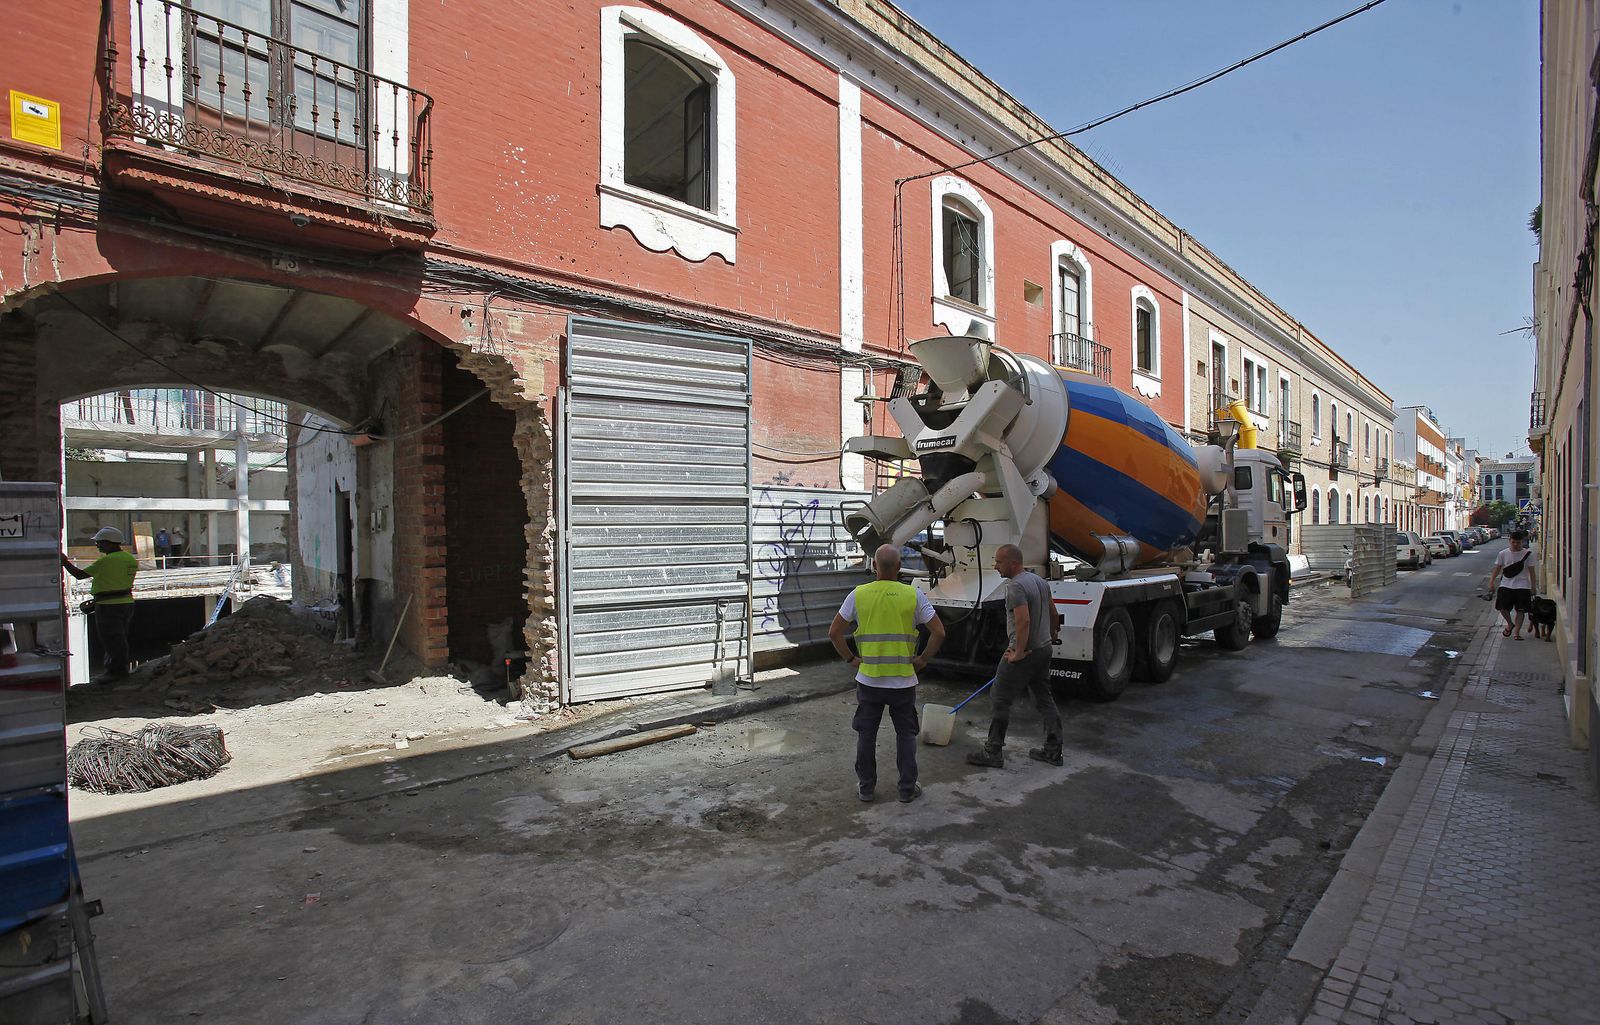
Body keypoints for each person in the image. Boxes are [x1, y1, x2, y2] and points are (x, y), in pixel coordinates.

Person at [828, 544, 945, 804]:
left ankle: (867, 788)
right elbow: (939, 632)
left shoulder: (858, 595)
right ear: (900, 567)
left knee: (866, 734)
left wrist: (851, 658)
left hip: (869, 680)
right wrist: (923, 659)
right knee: (905, 734)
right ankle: (906, 789)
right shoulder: (913, 595)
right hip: (903, 681)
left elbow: (834, 632)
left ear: (874, 566)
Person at [967, 543, 1064, 768]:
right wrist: (1051, 632)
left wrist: (1018, 652)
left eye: (999, 561)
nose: (996, 565)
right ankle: (1053, 750)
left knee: (1000, 698)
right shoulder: (1039, 581)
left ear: (1013, 562)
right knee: (1044, 699)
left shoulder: (1015, 587)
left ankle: (993, 751)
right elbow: (1053, 612)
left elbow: (1023, 620)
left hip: (1025, 653)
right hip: (1043, 649)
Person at [62, 526, 140, 681]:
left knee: (111, 638)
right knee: (120, 637)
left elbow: (79, 575)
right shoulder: (130, 559)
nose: (97, 545)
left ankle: (116, 672)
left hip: (108, 605)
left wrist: (64, 562)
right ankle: (117, 669)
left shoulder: (106, 561)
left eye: (99, 542)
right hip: (126, 603)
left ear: (109, 542)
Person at [1487, 530, 1538, 640]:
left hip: (1523, 585)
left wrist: (1533, 587)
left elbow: (1532, 572)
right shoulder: (1503, 553)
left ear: (1522, 542)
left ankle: (1516, 632)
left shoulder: (1528, 554)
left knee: (1520, 610)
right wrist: (1491, 582)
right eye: (1513, 542)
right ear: (1509, 541)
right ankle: (1510, 624)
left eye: (1518, 542)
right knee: (1502, 608)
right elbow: (1497, 568)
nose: (1515, 544)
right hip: (1506, 584)